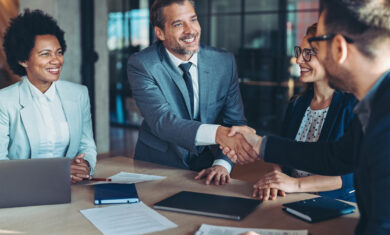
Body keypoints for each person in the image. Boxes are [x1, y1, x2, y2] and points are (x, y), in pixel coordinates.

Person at [223, 0, 390, 233]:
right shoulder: (373, 105)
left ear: (339, 48)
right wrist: (260, 144)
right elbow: (335, 157)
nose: (300, 60)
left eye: (316, 45)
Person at [127, 0, 257, 185]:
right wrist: (218, 133)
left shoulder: (224, 62)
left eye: (193, 20)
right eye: (178, 24)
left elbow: (234, 121)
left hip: (205, 166)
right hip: (155, 164)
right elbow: (162, 121)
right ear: (160, 32)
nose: (190, 30)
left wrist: (222, 164)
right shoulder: (142, 64)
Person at [253, 23, 356, 202]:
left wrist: (294, 184)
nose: (299, 60)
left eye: (308, 53)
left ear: (331, 58)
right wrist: (276, 179)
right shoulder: (297, 103)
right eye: (299, 52)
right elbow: (281, 149)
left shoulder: (352, 106)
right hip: (289, 198)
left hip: (336, 204)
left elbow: (351, 175)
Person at [0, 10, 96, 183]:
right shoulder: (5, 101)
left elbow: (86, 144)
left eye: (58, 52)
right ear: (23, 60)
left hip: (71, 187)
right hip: (22, 188)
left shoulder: (78, 94)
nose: (57, 60)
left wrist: (84, 166)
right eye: (45, 54)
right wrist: (56, 173)